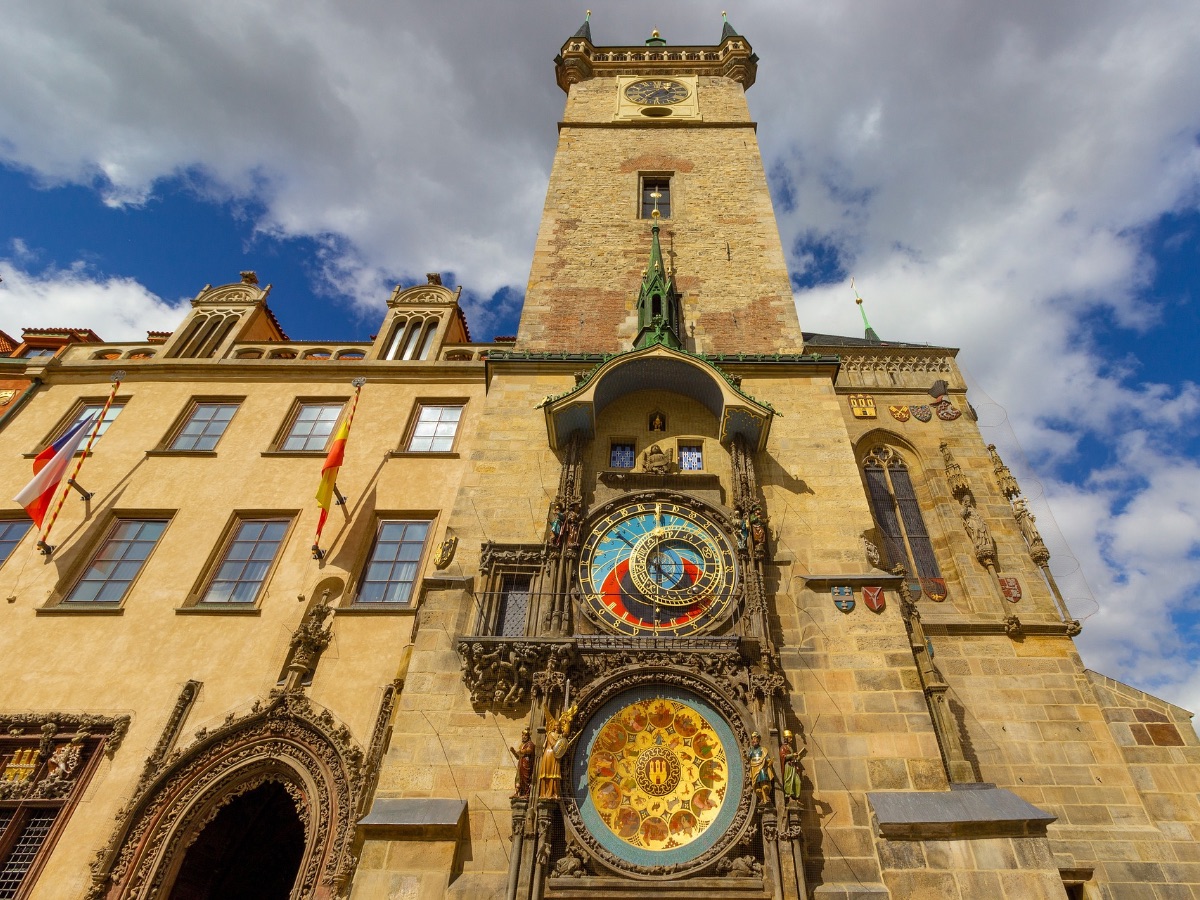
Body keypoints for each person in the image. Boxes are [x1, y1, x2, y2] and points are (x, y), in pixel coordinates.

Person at [746, 731, 774, 804]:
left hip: (761, 767)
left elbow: (767, 758)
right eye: (752, 739)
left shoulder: (762, 749)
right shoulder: (751, 750)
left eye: (755, 738)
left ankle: (766, 798)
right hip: (754, 768)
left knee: (764, 785)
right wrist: (745, 757)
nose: (753, 740)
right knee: (757, 788)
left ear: (758, 740)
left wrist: (769, 761)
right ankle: (762, 798)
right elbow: (748, 757)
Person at [510, 727, 535, 798]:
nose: (524, 737)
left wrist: (521, 751)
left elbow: (529, 750)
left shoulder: (530, 744)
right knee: (518, 778)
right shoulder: (522, 745)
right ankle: (516, 792)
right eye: (523, 735)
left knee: (526, 779)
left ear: (528, 736)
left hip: (526, 765)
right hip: (520, 764)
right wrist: (513, 751)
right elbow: (518, 756)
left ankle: (526, 794)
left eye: (525, 735)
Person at [779, 729, 803, 802]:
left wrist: (797, 757)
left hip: (793, 766)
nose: (791, 739)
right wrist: (792, 755)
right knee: (789, 781)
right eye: (790, 737)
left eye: (791, 737)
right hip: (788, 766)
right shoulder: (783, 747)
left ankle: (796, 797)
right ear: (786, 738)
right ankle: (789, 796)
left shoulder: (791, 748)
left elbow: (792, 757)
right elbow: (783, 756)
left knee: (798, 782)